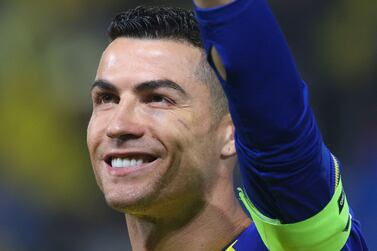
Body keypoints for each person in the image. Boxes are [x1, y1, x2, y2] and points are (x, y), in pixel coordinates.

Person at [87, 0, 368, 250]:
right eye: (107, 98)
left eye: (158, 99)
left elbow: (276, 123)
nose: (118, 125)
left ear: (233, 132)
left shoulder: (294, 242)